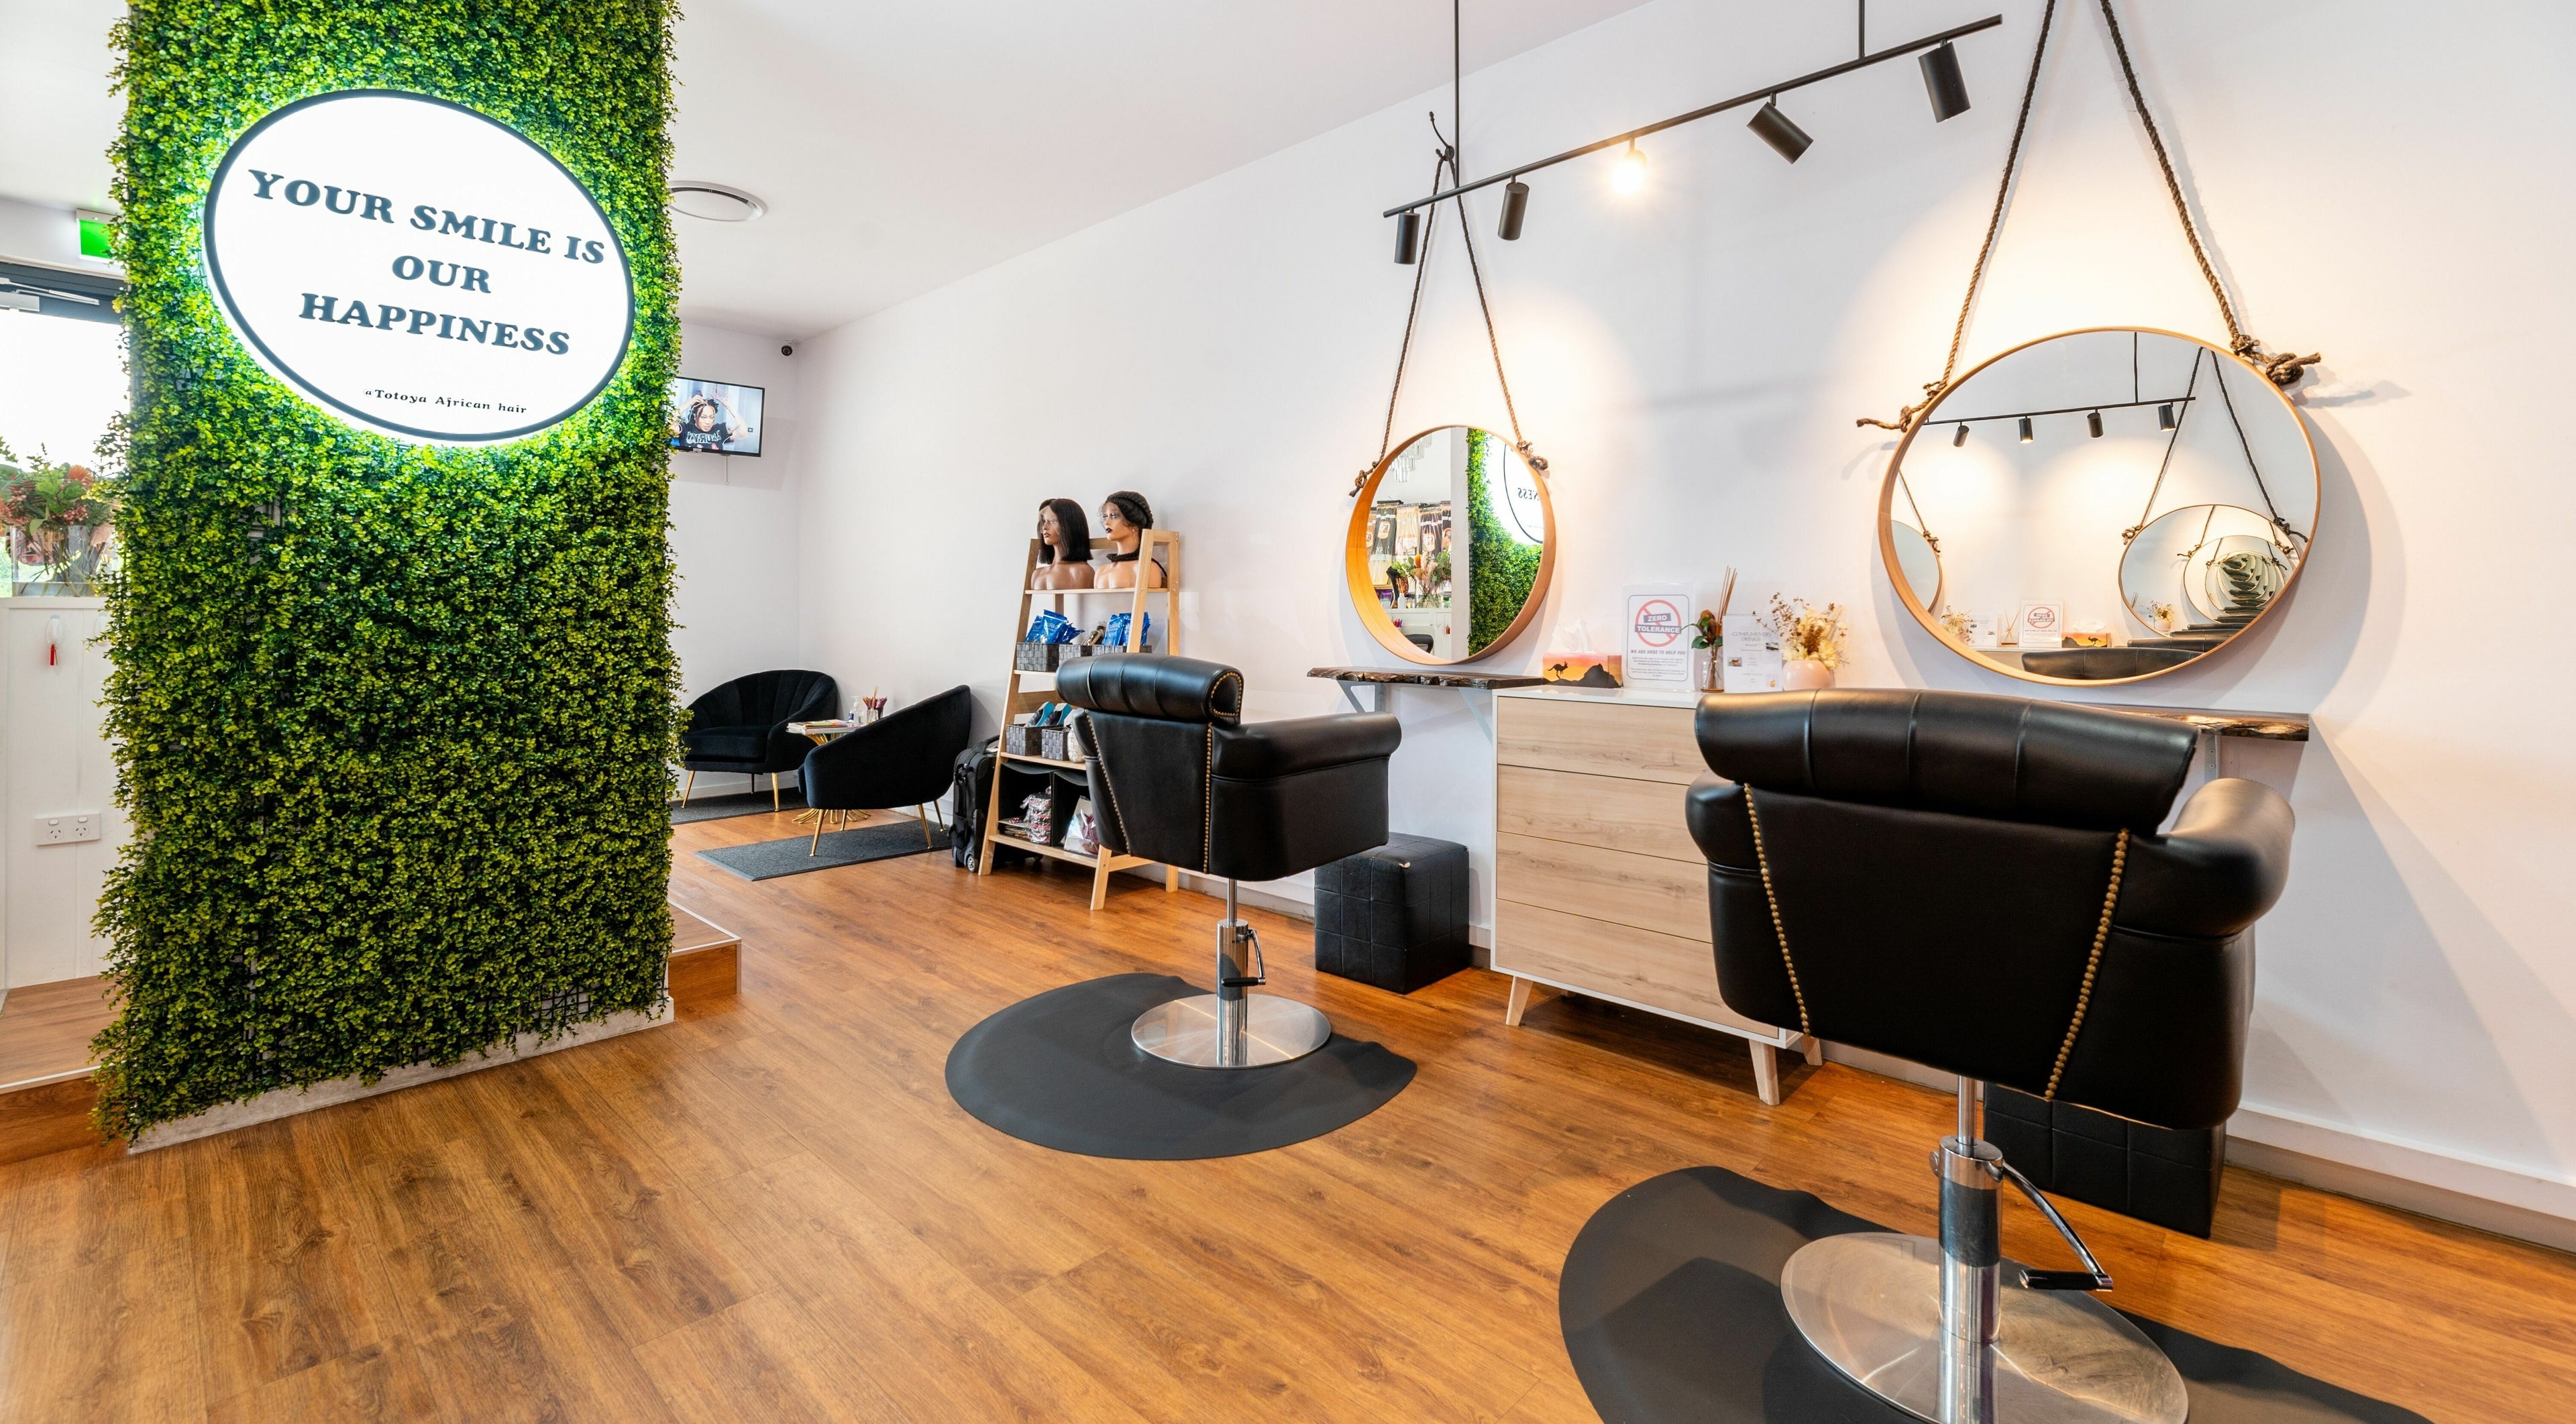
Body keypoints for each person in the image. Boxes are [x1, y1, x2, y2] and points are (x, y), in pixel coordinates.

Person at [1095, 490, 1165, 590]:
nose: (1106, 522)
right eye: (1106, 516)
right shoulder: (1101, 571)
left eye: (1114, 516)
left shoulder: (1147, 569)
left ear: (1135, 525)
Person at [1031, 498, 1095, 589]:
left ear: (1069, 525)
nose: (1045, 527)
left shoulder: (1081, 572)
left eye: (1053, 521)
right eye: (1044, 521)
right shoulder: (1037, 574)